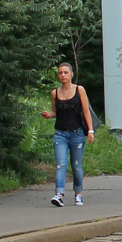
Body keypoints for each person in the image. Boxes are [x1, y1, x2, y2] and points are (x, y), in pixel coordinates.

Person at [40, 63, 96, 206]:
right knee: (61, 165)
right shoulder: (55, 93)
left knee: (76, 166)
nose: (63, 75)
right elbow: (55, 111)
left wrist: (90, 130)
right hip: (60, 134)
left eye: (65, 72)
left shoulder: (79, 90)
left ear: (71, 74)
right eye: (60, 73)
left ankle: (78, 194)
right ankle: (59, 194)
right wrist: (49, 114)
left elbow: (86, 110)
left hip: (77, 134)